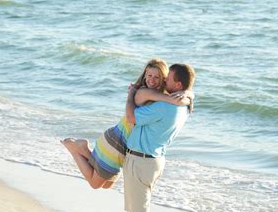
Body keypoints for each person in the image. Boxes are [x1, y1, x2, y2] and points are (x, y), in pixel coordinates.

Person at [61, 58, 192, 190]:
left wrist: (187, 93)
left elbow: (170, 99)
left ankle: (84, 150)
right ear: (145, 76)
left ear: (164, 79)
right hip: (117, 142)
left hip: (124, 146)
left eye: (157, 77)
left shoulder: (157, 95)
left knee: (107, 184)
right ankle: (75, 150)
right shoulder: (143, 92)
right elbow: (171, 99)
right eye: (149, 75)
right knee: (95, 184)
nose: (152, 80)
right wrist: (187, 97)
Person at [122, 63, 195, 212]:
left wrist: (131, 95)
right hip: (152, 159)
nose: (164, 81)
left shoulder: (166, 106)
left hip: (142, 160)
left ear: (178, 84)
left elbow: (131, 117)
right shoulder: (183, 105)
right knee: (141, 211)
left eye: (168, 79)